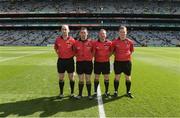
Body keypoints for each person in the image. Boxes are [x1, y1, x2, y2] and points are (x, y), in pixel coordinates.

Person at [112, 26, 134, 98]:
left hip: (127, 62)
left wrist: (126, 56)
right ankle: (115, 91)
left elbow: (131, 50)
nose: (122, 33)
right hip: (118, 62)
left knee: (128, 77)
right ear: (119, 33)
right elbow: (113, 51)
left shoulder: (130, 42)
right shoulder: (114, 42)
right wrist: (119, 56)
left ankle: (128, 92)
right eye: (121, 32)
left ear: (126, 32)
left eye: (124, 32)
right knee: (117, 77)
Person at [54, 25, 75, 98]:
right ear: (61, 30)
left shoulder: (72, 40)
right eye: (63, 29)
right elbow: (55, 48)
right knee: (61, 77)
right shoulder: (57, 40)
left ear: (68, 30)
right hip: (61, 61)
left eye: (65, 29)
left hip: (70, 61)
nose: (64, 30)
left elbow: (75, 50)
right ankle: (61, 93)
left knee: (71, 77)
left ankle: (72, 93)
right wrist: (59, 54)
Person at [74, 27, 94, 100]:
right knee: (81, 80)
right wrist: (79, 57)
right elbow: (74, 52)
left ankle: (89, 94)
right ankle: (80, 94)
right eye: (81, 33)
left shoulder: (91, 42)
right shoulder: (76, 42)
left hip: (88, 63)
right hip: (79, 63)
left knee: (88, 79)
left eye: (84, 32)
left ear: (87, 33)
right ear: (80, 34)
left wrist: (90, 57)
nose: (83, 34)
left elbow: (94, 51)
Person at [93, 29, 113, 97]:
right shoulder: (95, 43)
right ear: (99, 35)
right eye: (101, 34)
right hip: (97, 63)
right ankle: (95, 92)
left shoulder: (109, 43)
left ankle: (106, 91)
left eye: (104, 33)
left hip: (106, 63)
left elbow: (112, 51)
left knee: (106, 78)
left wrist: (107, 56)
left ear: (106, 35)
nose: (102, 35)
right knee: (96, 78)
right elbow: (93, 53)